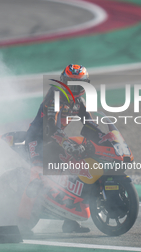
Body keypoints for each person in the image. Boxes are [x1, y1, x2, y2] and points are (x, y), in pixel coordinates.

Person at [18, 64, 92, 234]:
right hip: (37, 140)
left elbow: (90, 124)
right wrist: (65, 142)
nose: (75, 89)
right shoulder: (55, 96)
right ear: (63, 82)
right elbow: (51, 126)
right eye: (72, 84)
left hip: (56, 141)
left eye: (79, 85)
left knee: (76, 172)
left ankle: (70, 222)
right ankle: (21, 222)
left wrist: (101, 138)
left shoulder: (79, 102)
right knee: (36, 174)